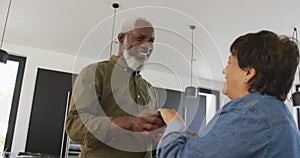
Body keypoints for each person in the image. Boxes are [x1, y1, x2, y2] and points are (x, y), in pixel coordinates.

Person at [157, 30, 300, 158]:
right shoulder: (279, 115)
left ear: (248, 73)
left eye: (229, 62)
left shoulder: (248, 115)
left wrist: (175, 123)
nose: (224, 71)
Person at [66, 17, 165, 158]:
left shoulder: (150, 90)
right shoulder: (95, 73)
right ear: (121, 38)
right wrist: (128, 123)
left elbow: (148, 140)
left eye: (151, 41)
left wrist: (159, 133)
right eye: (140, 38)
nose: (148, 46)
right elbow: (75, 126)